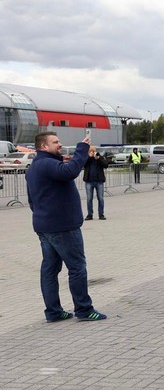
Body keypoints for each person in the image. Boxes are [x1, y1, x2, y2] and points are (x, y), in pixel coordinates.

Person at [26, 132, 107, 322]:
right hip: (62, 226)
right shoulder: (47, 164)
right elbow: (70, 171)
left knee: (50, 269)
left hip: (45, 225)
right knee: (77, 267)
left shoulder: (35, 167)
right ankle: (84, 309)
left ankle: (54, 312)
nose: (60, 144)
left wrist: (43, 214)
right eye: (55, 142)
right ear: (44, 146)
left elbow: (32, 200)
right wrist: (82, 148)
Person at [83, 146, 108, 220]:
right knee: (89, 199)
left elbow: (106, 165)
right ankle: (89, 214)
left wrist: (98, 159)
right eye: (91, 151)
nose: (92, 153)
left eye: (93, 151)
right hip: (89, 181)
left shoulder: (100, 157)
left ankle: (101, 214)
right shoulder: (87, 158)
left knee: (100, 198)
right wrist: (89, 157)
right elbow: (83, 164)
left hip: (99, 181)